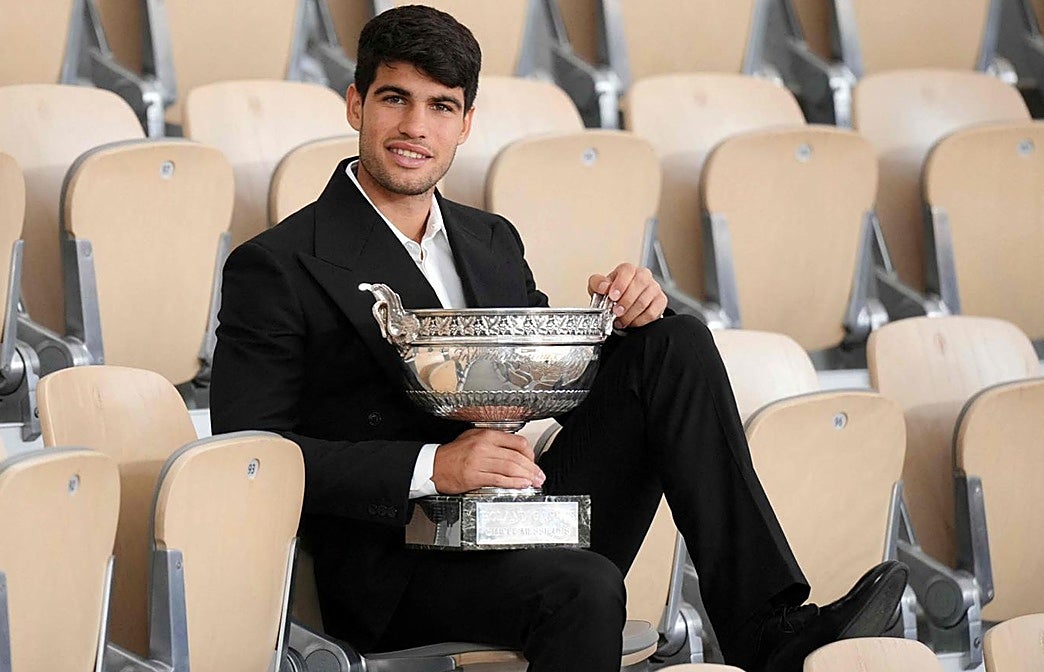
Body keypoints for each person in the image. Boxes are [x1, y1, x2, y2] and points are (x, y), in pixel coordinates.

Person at [210, 6, 906, 671]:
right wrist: (432, 467)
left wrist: (624, 321)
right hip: (398, 564)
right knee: (584, 585)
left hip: (523, 516)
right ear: (355, 104)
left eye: (441, 106)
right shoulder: (275, 263)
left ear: (465, 123)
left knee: (675, 342)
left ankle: (767, 631)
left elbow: (555, 386)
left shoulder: (490, 240)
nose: (415, 126)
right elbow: (252, 459)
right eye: (396, 99)